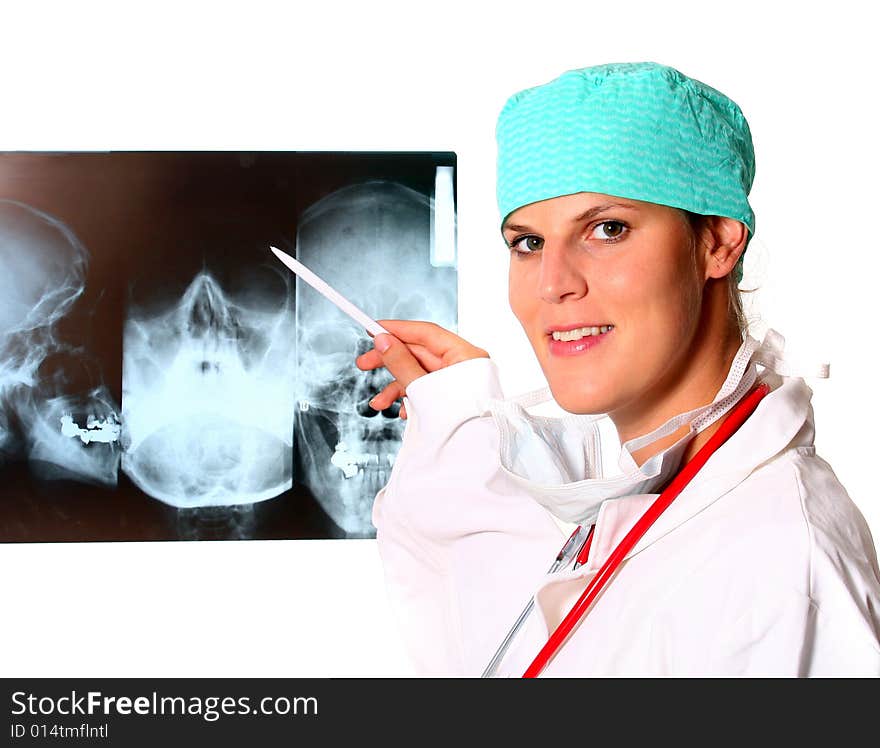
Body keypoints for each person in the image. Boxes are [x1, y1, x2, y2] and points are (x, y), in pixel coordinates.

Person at [355, 62, 880, 677]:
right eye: (527, 243)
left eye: (607, 229)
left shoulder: (785, 564)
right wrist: (461, 421)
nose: (552, 284)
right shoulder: (681, 495)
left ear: (717, 242)